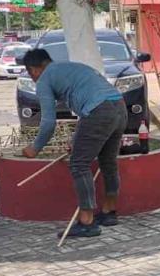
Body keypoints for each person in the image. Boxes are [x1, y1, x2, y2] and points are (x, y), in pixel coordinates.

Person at [20, 48, 127, 238]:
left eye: (31, 74)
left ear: (34, 70)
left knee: (79, 164)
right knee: (108, 162)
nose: (34, 78)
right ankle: (109, 212)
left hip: (99, 111)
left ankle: (87, 221)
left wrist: (34, 148)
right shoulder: (71, 67)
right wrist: (77, 138)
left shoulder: (44, 79)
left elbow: (48, 123)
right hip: (119, 106)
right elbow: (89, 103)